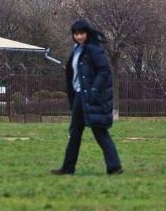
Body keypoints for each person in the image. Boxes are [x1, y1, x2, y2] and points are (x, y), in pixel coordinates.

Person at [51, 19, 122, 175]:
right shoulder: (77, 49)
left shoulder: (93, 49)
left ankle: (115, 166)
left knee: (99, 132)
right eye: (76, 34)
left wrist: (94, 90)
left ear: (87, 33)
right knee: (74, 133)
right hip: (79, 96)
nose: (79, 36)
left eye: (82, 33)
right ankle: (68, 168)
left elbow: (104, 71)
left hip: (90, 97)